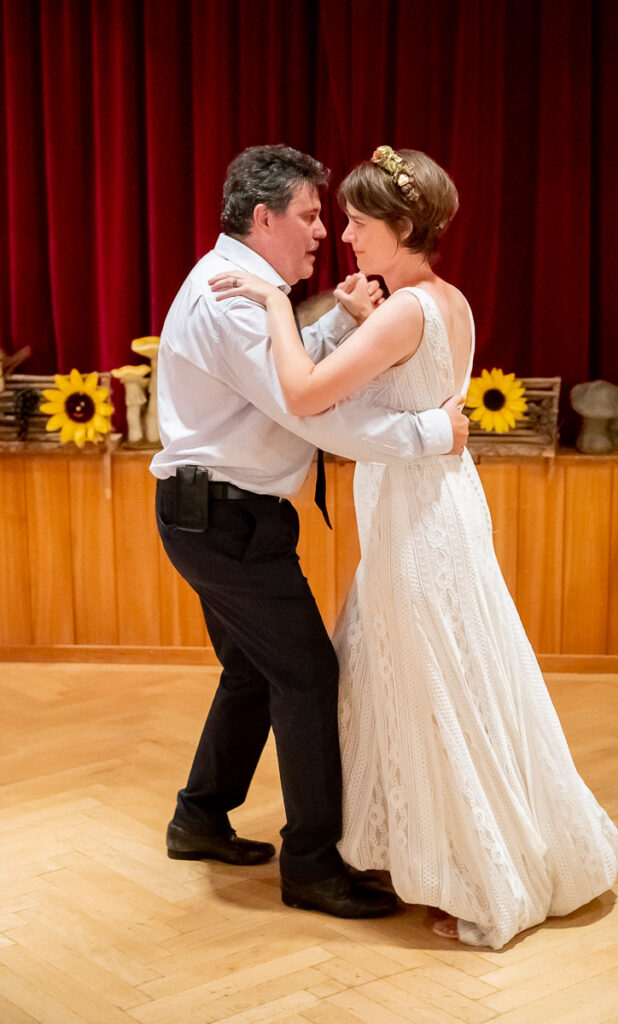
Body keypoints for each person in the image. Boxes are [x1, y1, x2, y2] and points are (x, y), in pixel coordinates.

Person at [210, 145, 618, 949]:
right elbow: (405, 387)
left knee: (433, 677)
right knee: (434, 668)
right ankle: (424, 851)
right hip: (434, 503)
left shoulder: (404, 310)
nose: (346, 237)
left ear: (402, 227)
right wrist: (354, 318)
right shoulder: (446, 301)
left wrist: (271, 305)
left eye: (360, 224)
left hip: (415, 516)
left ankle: (479, 870)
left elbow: (300, 393)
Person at [150, 144, 470, 921]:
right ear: (263, 219)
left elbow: (285, 377)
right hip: (223, 520)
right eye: (306, 215)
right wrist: (433, 433)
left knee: (255, 672)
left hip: (223, 515)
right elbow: (304, 406)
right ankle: (312, 865)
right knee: (307, 676)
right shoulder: (234, 296)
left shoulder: (248, 287)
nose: (324, 231)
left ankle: (199, 818)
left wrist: (333, 327)